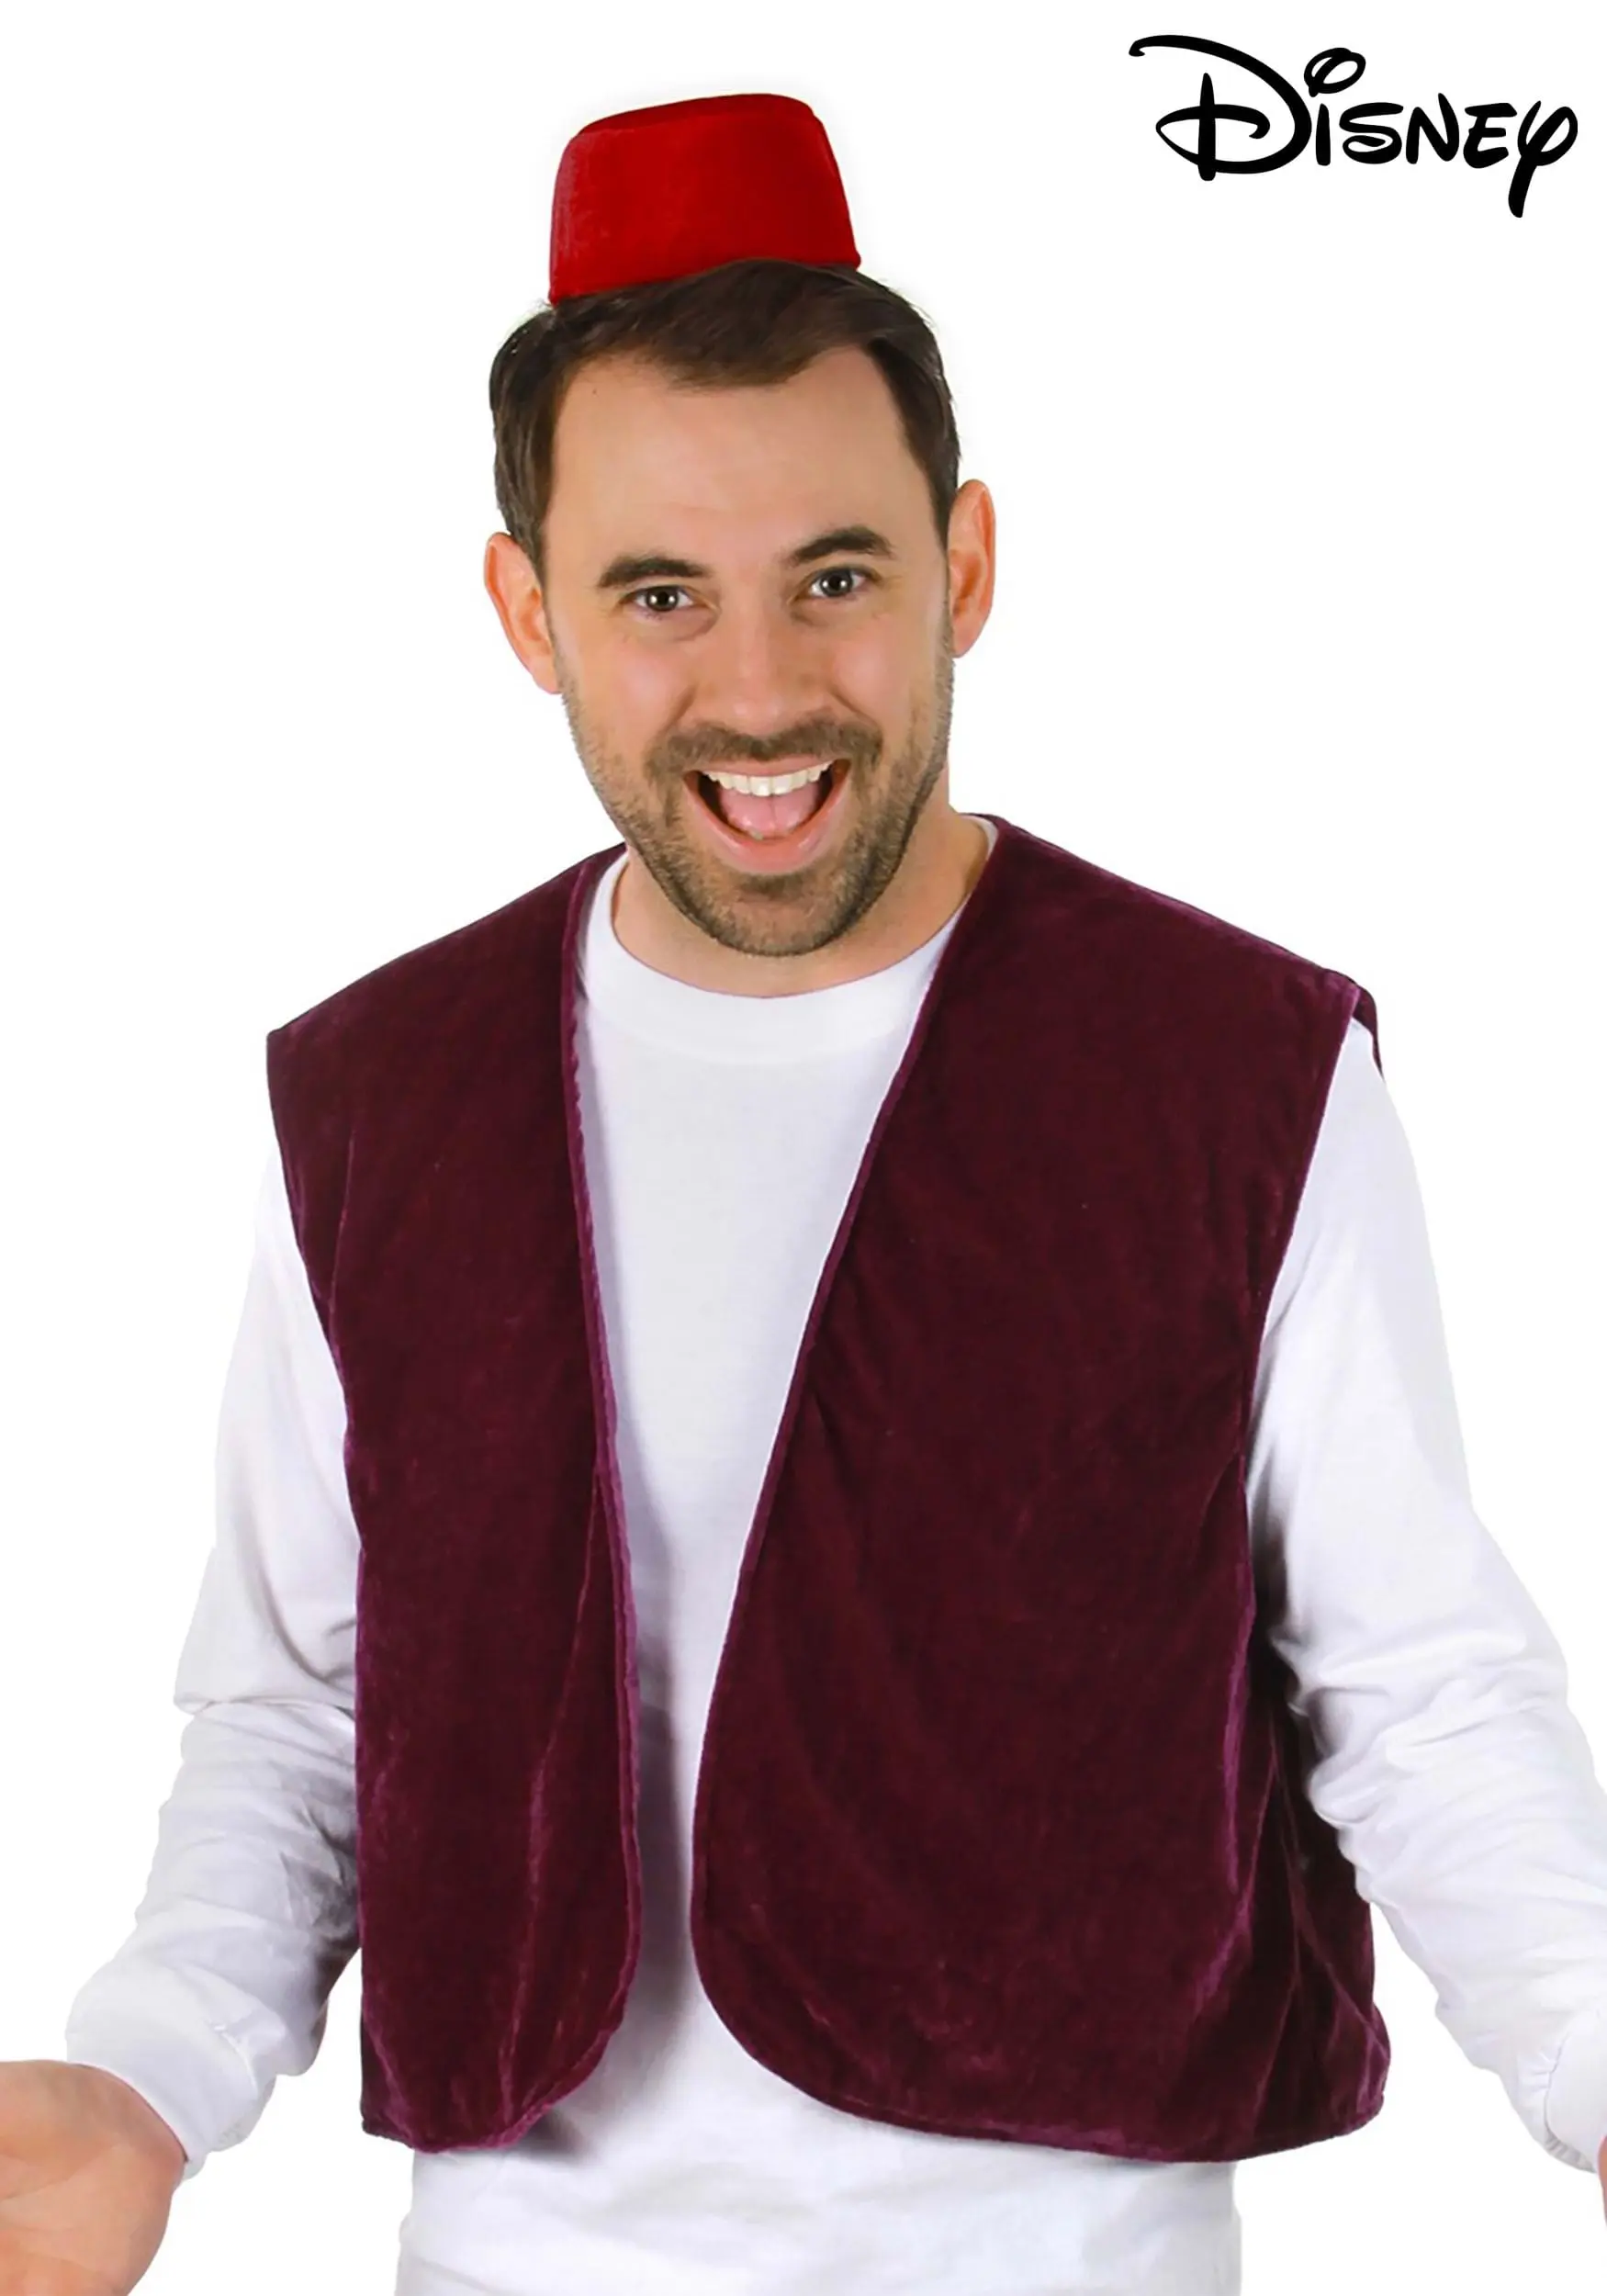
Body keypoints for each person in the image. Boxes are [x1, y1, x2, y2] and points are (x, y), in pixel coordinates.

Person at [5, 89, 1607, 2296]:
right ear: (527, 608)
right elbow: (299, 1710)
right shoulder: (373, 1097)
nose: (757, 693)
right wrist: (141, 2081)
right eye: (658, 594)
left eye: (833, 579)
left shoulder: (1233, 1070)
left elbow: (1416, 1687)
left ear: (963, 564)